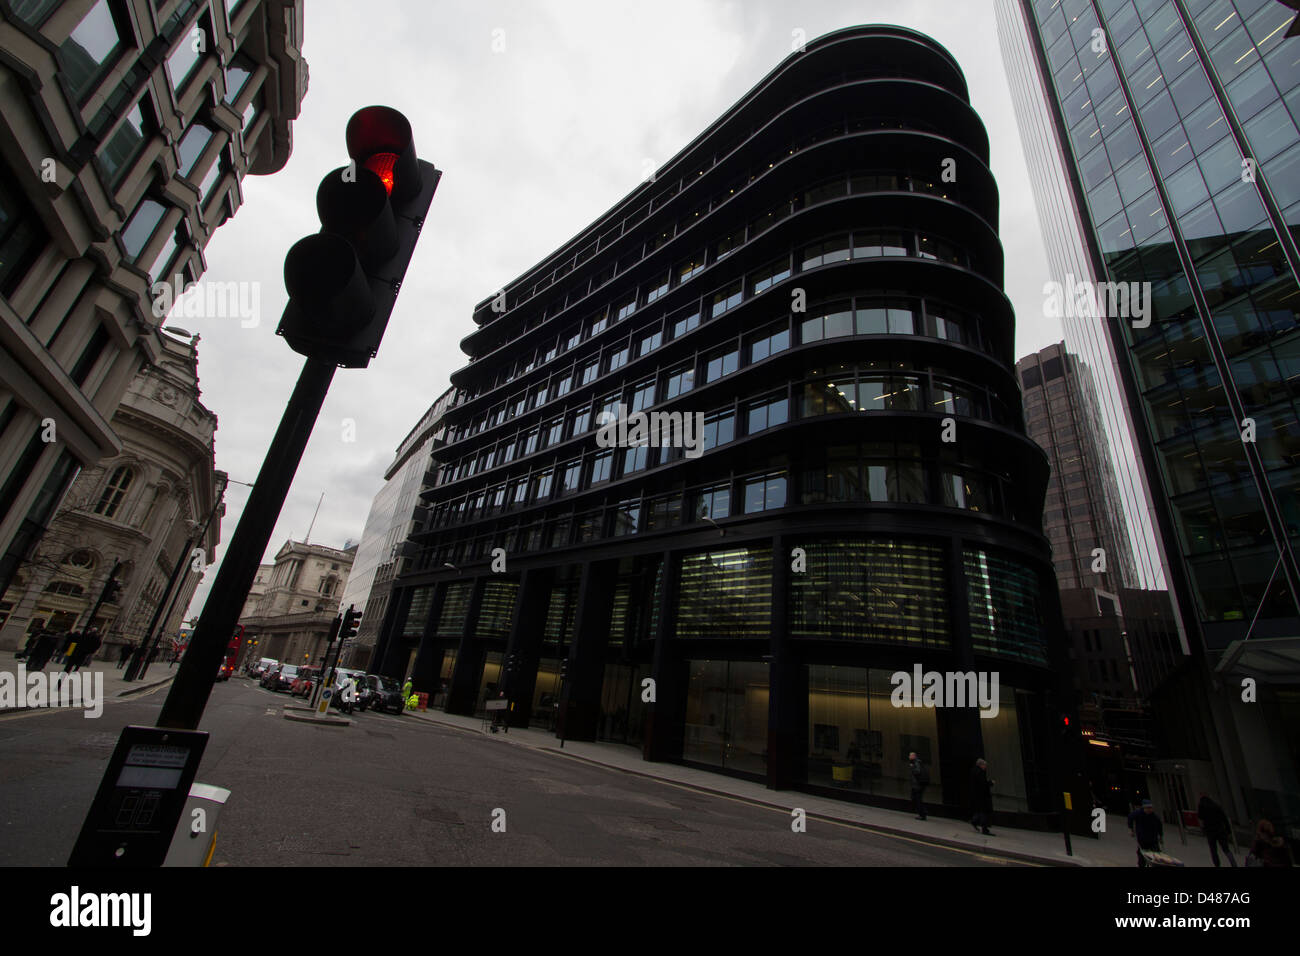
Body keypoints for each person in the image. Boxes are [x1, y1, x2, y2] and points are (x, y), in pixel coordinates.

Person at [1197, 793, 1236, 868]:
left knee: (1213, 850)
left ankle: (1217, 864)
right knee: (1226, 849)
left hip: (1210, 831)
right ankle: (1233, 864)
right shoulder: (1216, 805)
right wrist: (1228, 830)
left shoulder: (1201, 806)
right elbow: (1224, 818)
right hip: (1220, 829)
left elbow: (1200, 819)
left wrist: (1203, 829)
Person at [1127, 798, 1164, 866]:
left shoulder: (1154, 816)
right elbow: (1130, 817)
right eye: (1147, 808)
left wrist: (1161, 836)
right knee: (1142, 853)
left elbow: (1159, 826)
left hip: (1153, 838)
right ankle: (1141, 864)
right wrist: (1131, 829)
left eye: (1150, 808)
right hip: (1142, 838)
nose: (1149, 810)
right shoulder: (1138, 813)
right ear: (1143, 808)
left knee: (1156, 853)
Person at [970, 758, 994, 835]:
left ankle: (974, 821)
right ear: (980, 765)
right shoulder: (980, 773)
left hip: (976, 795)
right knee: (984, 811)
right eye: (984, 765)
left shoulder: (974, 771)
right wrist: (990, 783)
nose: (985, 767)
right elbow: (982, 784)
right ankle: (984, 828)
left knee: (980, 810)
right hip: (982, 795)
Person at [909, 751, 929, 820]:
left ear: (914, 756)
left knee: (917, 799)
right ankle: (923, 812)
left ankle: (922, 814)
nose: (909, 757)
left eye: (911, 755)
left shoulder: (916, 762)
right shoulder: (918, 762)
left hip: (918, 784)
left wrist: (912, 767)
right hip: (917, 784)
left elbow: (917, 772)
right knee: (915, 798)